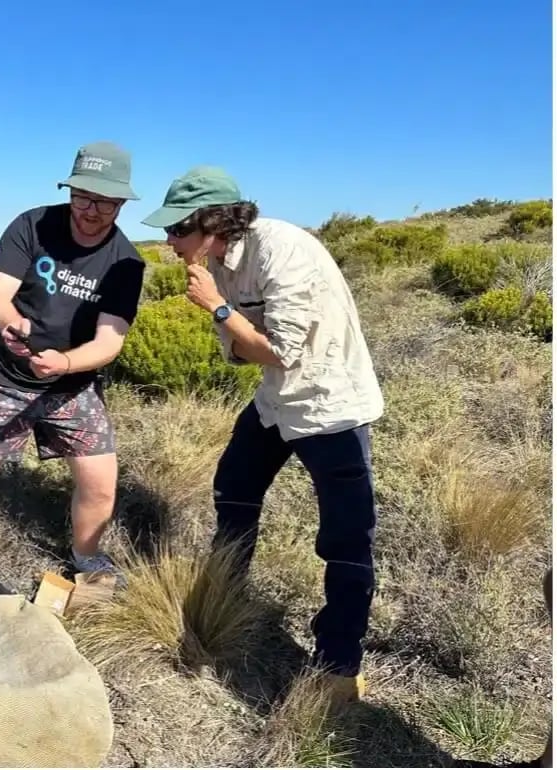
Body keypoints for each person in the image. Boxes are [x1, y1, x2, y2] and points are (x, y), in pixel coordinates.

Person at [141, 165, 385, 702]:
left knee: (345, 539)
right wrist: (228, 315)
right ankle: (226, 596)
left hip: (328, 404)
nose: (168, 241)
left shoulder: (282, 249)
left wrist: (218, 308)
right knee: (234, 486)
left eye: (176, 229)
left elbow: (277, 351)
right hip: (277, 401)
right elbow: (242, 355)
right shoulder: (217, 263)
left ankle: (339, 667)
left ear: (211, 221)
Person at [0, 141, 146, 577]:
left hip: (72, 385)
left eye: (105, 202)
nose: (91, 210)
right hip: (2, 375)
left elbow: (110, 341)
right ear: (70, 190)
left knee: (100, 483)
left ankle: (87, 558)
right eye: (83, 196)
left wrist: (66, 364)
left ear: (122, 202)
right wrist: (9, 323)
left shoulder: (126, 262)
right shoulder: (32, 225)